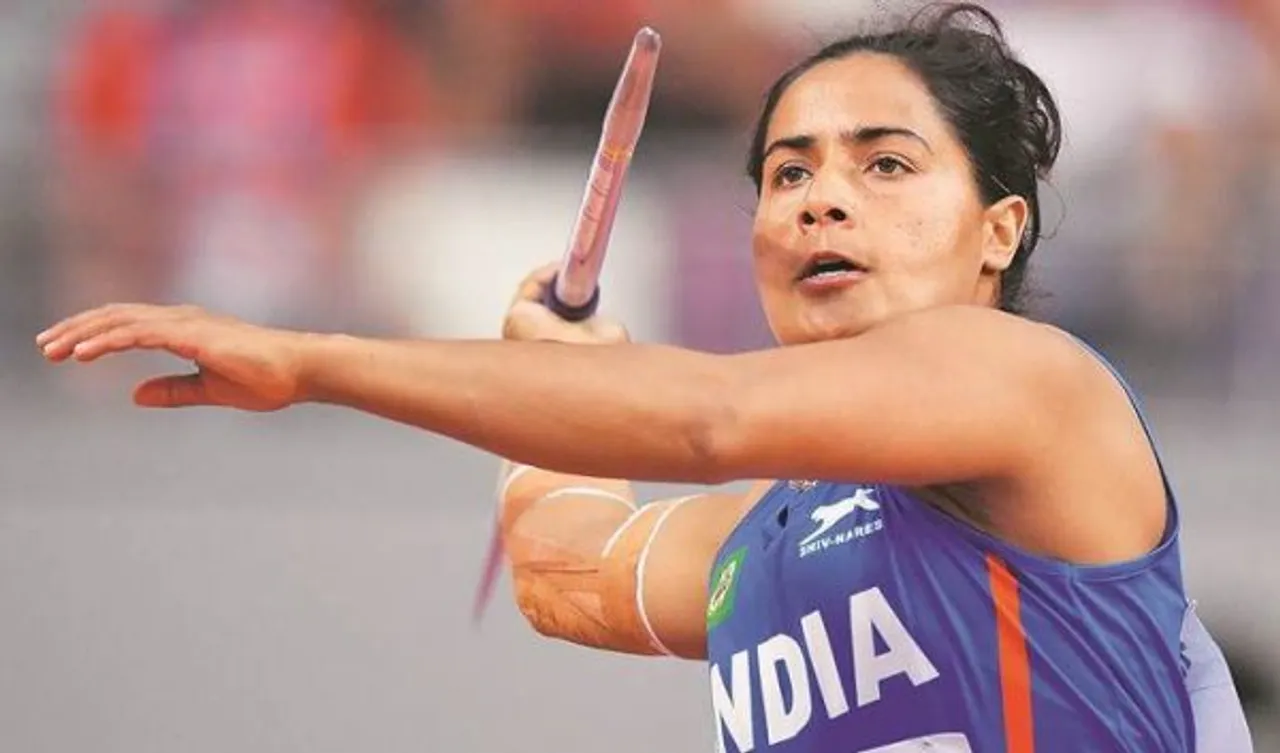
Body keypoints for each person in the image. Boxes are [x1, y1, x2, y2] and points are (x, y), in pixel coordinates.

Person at [36, 4, 1252, 751]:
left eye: (884, 165)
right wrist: (551, 384)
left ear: (997, 231)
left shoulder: (1031, 386)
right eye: (786, 173)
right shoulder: (761, 535)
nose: (819, 198)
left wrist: (311, 362)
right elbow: (565, 571)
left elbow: (707, 420)